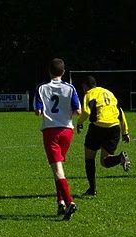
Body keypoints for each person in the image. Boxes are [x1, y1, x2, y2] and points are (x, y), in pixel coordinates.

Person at [34, 58, 81, 220]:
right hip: (67, 131)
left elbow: (38, 112)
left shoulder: (42, 89)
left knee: (57, 169)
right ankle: (60, 202)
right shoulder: (70, 88)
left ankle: (69, 202)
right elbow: (78, 111)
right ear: (63, 72)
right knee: (58, 167)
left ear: (49, 71)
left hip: (51, 132)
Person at [76, 76, 131, 196]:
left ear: (85, 86)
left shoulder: (89, 94)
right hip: (114, 128)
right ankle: (120, 158)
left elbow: (85, 112)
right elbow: (120, 112)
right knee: (105, 161)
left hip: (98, 127)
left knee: (89, 158)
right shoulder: (109, 93)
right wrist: (125, 132)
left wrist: (79, 123)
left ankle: (92, 189)